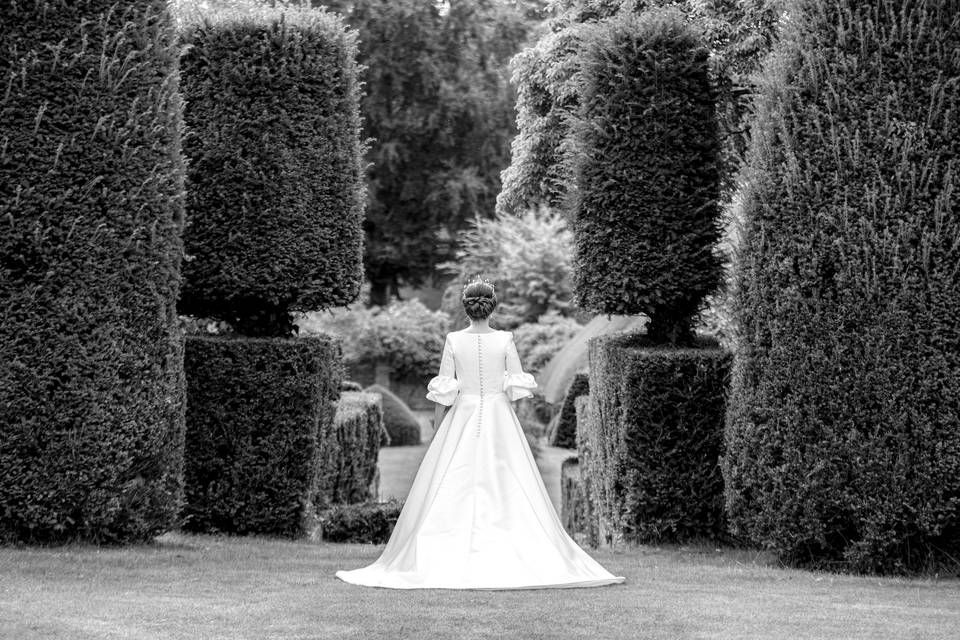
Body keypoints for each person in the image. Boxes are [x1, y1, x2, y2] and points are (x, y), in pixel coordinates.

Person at [335, 276, 625, 589]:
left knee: (453, 482)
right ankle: (507, 547)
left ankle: (450, 550)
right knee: (508, 482)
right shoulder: (505, 339)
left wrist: (438, 437)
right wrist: (508, 417)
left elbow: (445, 392)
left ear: (466, 308)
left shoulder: (453, 340)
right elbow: (515, 388)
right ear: (492, 307)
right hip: (500, 415)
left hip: (462, 415)